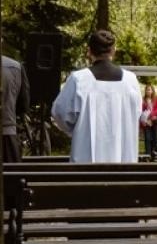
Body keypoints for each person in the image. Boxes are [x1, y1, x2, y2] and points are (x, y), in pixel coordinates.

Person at [49, 29, 142, 164]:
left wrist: (77, 130)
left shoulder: (79, 79)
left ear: (89, 51)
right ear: (113, 51)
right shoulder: (131, 80)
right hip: (123, 164)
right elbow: (136, 113)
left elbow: (59, 113)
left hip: (85, 164)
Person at [139, 82, 157, 160]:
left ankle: (155, 155)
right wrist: (145, 121)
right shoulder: (142, 100)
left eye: (149, 90)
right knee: (147, 139)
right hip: (146, 123)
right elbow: (141, 111)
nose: (148, 91)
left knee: (156, 138)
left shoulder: (156, 99)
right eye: (147, 90)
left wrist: (151, 116)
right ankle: (148, 155)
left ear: (152, 91)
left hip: (154, 122)